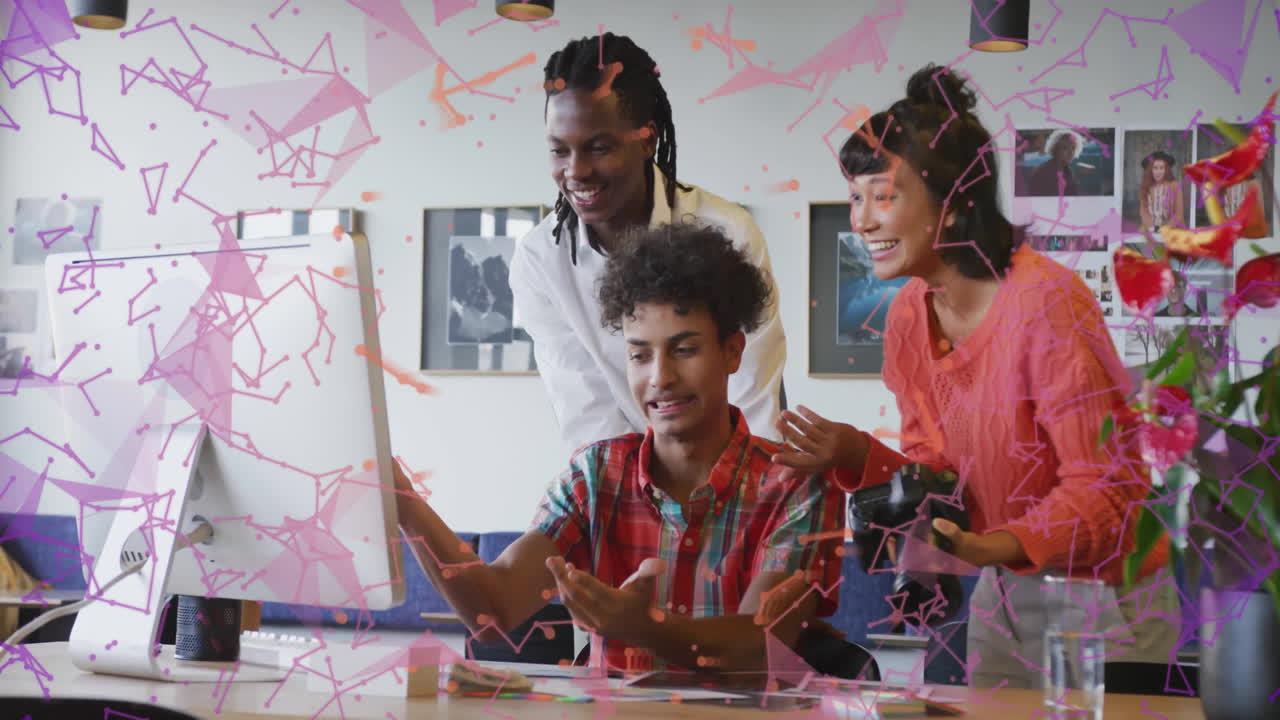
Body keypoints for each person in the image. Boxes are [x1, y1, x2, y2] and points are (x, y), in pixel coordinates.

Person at [773, 64, 1180, 689]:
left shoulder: (1046, 302)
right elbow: (938, 476)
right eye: (857, 197)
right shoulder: (911, 311)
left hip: (1107, 598)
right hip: (1004, 588)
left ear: (956, 204)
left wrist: (986, 547)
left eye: (883, 196)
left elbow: (1107, 489)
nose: (861, 220)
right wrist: (855, 452)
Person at [395, 223, 843, 674]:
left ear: (731, 352)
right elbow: (492, 611)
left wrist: (642, 627)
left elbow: (756, 647)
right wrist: (404, 503)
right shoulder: (595, 474)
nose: (660, 377)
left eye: (684, 350)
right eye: (639, 355)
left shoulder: (797, 484)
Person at [509, 33, 785, 454]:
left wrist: (746, 502)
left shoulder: (727, 231)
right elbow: (587, 416)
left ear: (646, 139)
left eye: (598, 148)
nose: (576, 172)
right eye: (559, 151)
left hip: (740, 481)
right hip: (626, 485)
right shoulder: (539, 260)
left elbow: (756, 397)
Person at [1026, 128, 1083, 196]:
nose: (1070, 152)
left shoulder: (1067, 169)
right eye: (1065, 148)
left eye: (1073, 148)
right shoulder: (1044, 171)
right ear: (1055, 149)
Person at [1138, 150, 1184, 233]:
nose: (1158, 172)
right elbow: (1143, 212)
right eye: (1155, 168)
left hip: (1171, 230)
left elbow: (1179, 213)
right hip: (1150, 230)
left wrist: (1165, 228)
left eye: (1162, 168)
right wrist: (1151, 228)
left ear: (1166, 170)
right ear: (1150, 170)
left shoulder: (1174, 185)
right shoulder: (1145, 187)